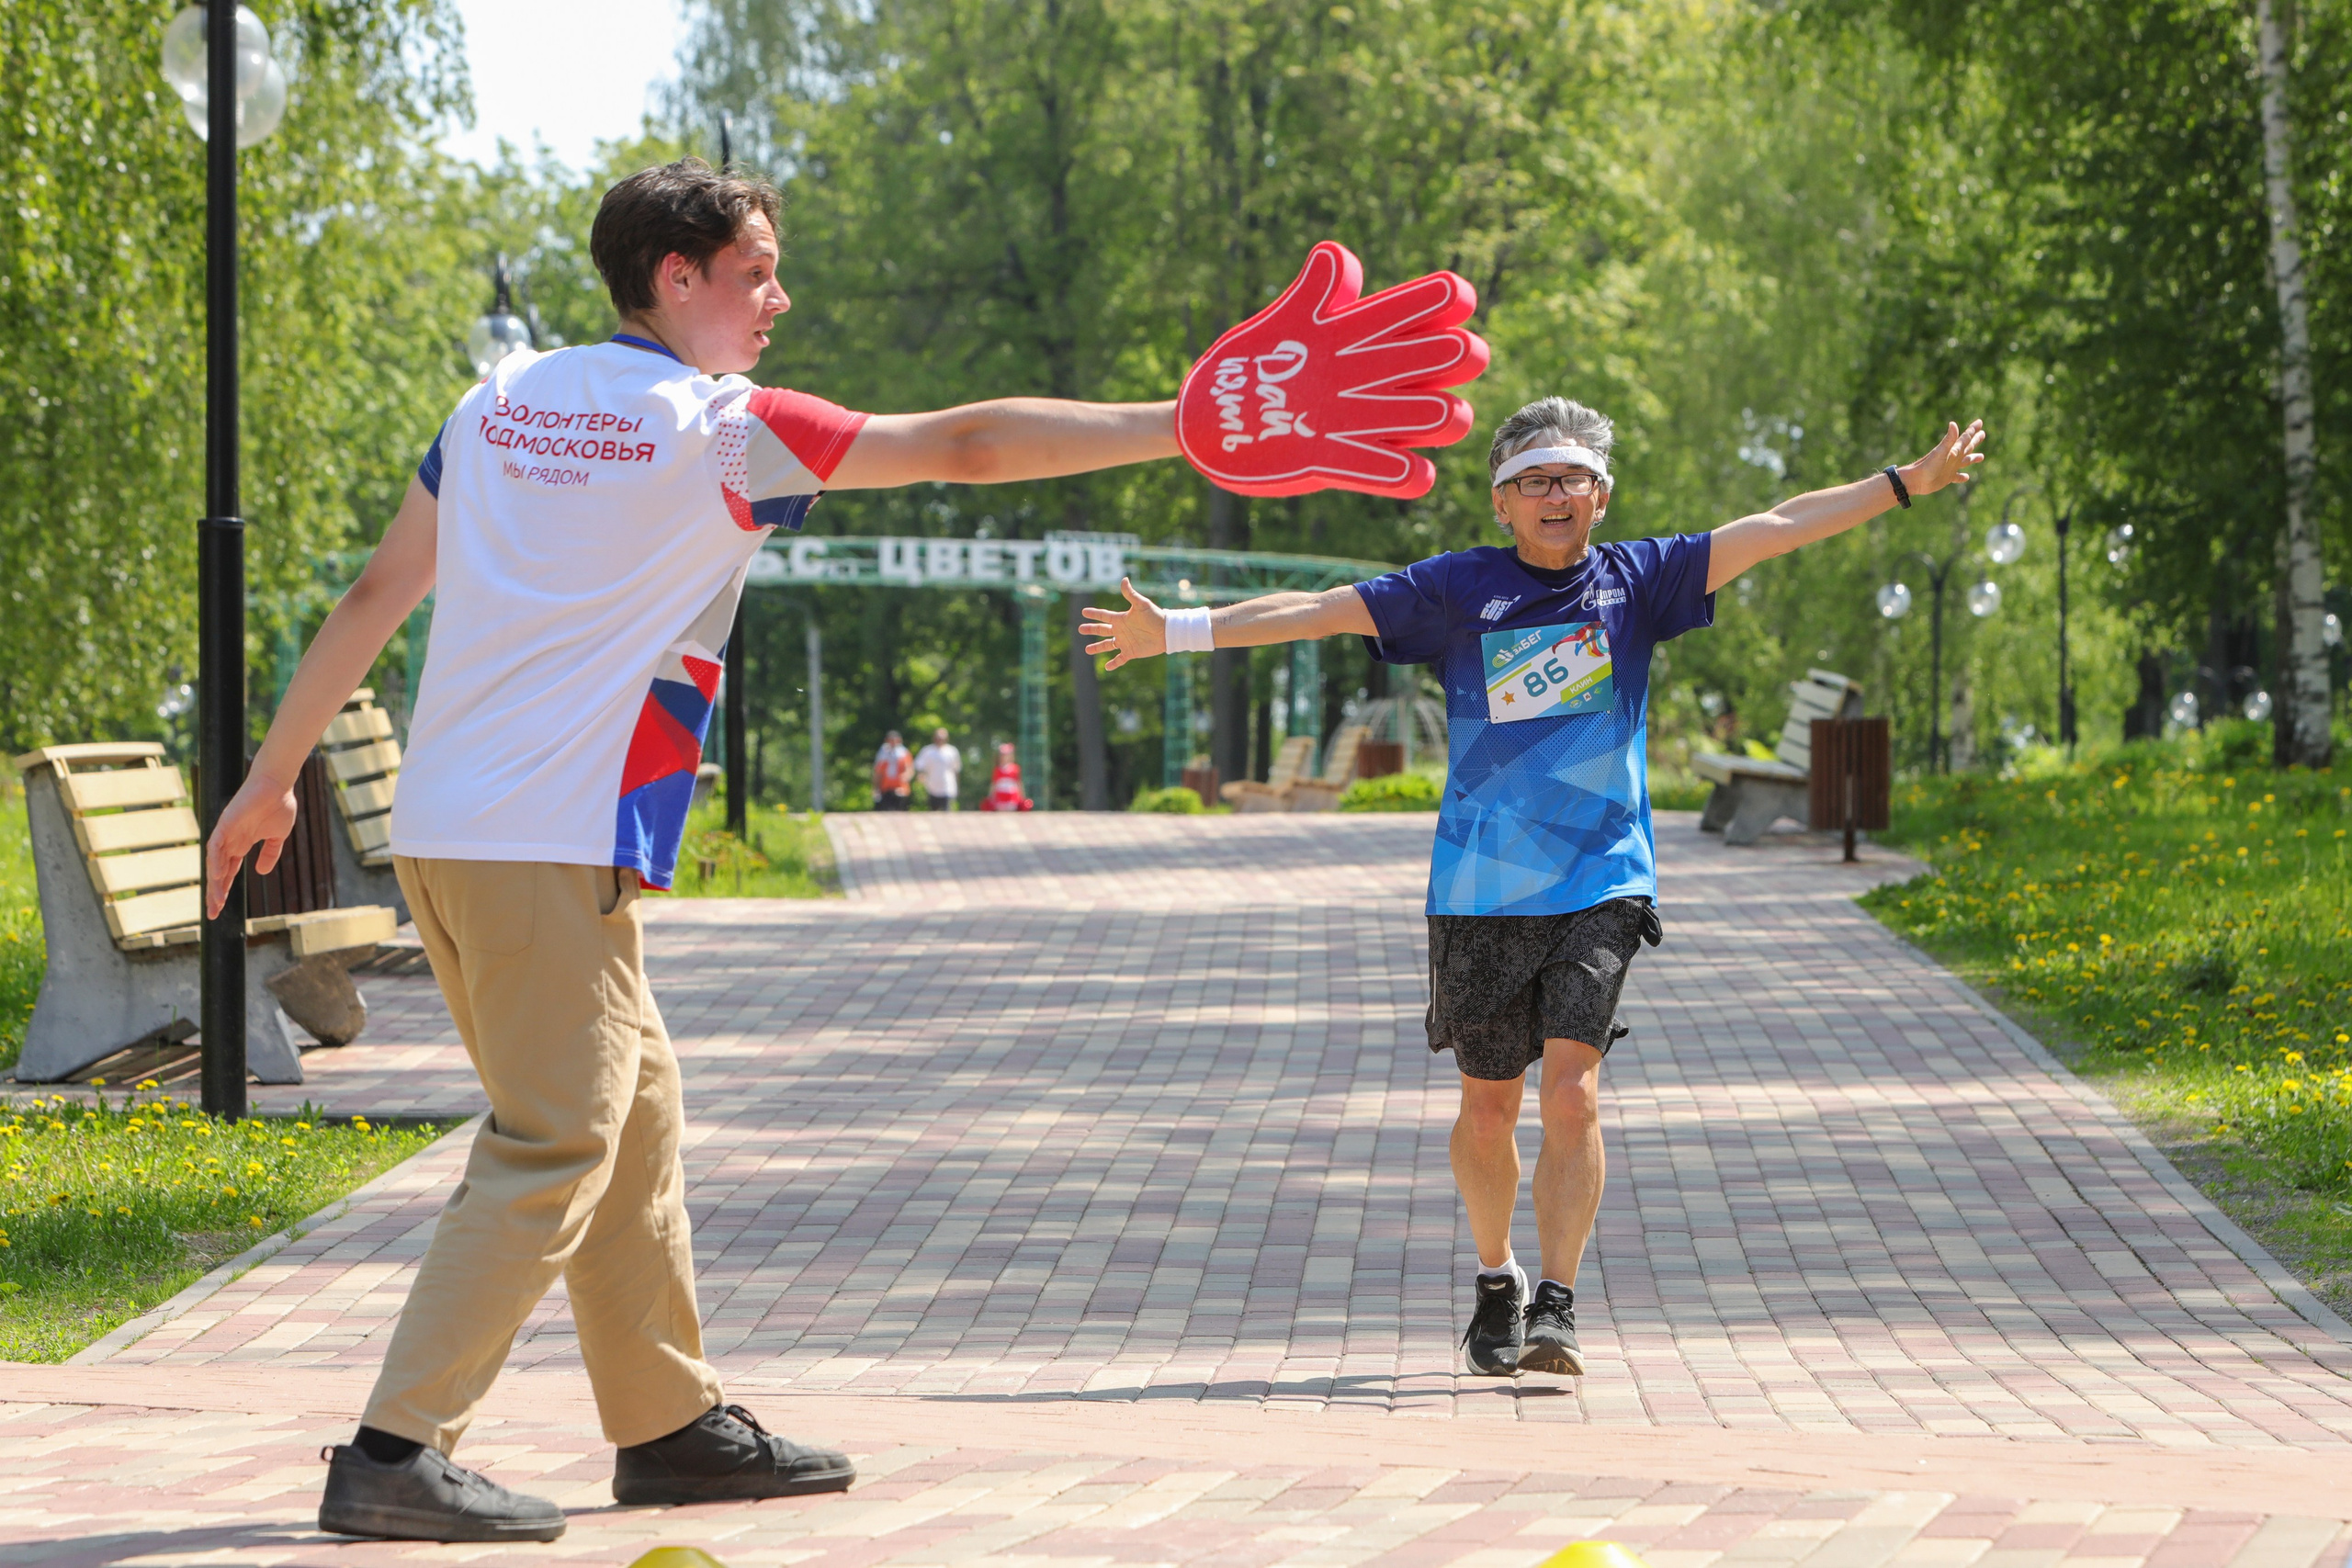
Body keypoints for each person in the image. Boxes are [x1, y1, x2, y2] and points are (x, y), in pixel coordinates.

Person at [203, 158, 1188, 1544]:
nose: (780, 299)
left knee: (637, 1109)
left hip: (454, 828)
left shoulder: (500, 402)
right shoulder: (725, 428)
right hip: (545, 840)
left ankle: (667, 1423)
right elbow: (964, 446)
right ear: (676, 277)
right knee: (561, 1134)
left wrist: (270, 780)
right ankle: (394, 1449)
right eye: (756, 273)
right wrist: (1187, 422)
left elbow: (379, 592)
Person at [1083, 395, 1984, 1380]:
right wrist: (1178, 629)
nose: (1556, 495)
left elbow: (1776, 526)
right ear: (1502, 502)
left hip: (1602, 878)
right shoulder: (1456, 589)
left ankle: (1557, 1300)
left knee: (1573, 1096)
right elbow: (1319, 609)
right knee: (1487, 1110)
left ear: (1601, 496)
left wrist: (1903, 484)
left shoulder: (1639, 580)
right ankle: (1495, 1277)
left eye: (1573, 479)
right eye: (1534, 481)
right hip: (1482, 888)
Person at [913, 728, 961, 810]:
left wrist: (958, 785)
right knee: (933, 811)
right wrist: (921, 775)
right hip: (932, 787)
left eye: (942, 738)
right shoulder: (927, 751)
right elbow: (919, 766)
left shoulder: (952, 751)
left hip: (947, 787)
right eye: (938, 738)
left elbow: (956, 769)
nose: (940, 740)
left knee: (947, 811)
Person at [980, 741, 1033, 811]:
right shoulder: (997, 770)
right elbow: (994, 785)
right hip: (1000, 798)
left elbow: (1019, 784)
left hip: (1012, 798)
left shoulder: (1015, 769)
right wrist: (990, 798)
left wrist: (1022, 797)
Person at [873, 729, 913, 810]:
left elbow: (909, 769)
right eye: (891, 740)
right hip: (886, 787)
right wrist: (876, 788)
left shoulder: (903, 753)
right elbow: (878, 772)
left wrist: (905, 780)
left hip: (900, 788)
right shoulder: (883, 753)